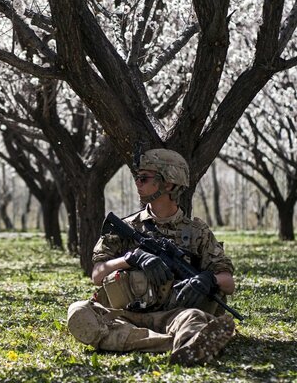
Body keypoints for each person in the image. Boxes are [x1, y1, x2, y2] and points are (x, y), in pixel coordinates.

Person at [67, 149, 237, 366]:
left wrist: (209, 279)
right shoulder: (126, 228)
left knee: (193, 318)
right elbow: (98, 275)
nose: (137, 183)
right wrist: (131, 258)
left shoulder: (197, 232)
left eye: (144, 178)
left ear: (169, 184)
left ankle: (187, 341)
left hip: (175, 315)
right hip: (126, 315)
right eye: (137, 177)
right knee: (79, 312)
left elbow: (228, 283)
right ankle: (180, 344)